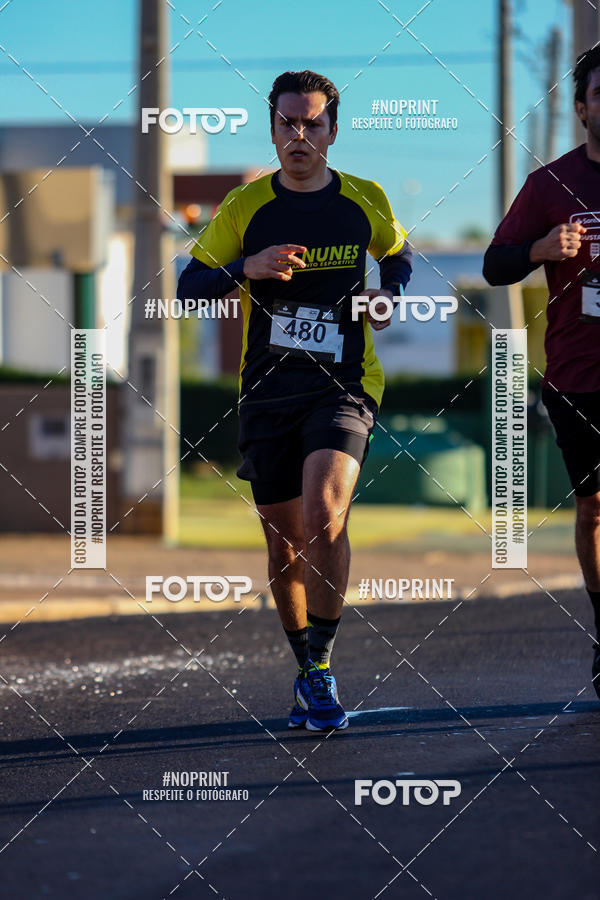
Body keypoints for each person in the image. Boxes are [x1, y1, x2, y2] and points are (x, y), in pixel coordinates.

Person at [178, 69, 412, 730]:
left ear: (333, 132)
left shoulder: (364, 197)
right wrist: (244, 269)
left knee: (324, 514)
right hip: (267, 392)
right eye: (287, 122)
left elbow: (397, 255)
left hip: (344, 384)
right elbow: (190, 287)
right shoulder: (245, 207)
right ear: (273, 128)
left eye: (312, 124)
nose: (299, 135)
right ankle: (307, 669)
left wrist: (388, 293)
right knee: (284, 545)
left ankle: (324, 662)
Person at [483, 46, 600, 698]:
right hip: (578, 375)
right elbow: (495, 264)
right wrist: (540, 248)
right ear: (582, 107)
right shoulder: (551, 184)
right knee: (594, 508)